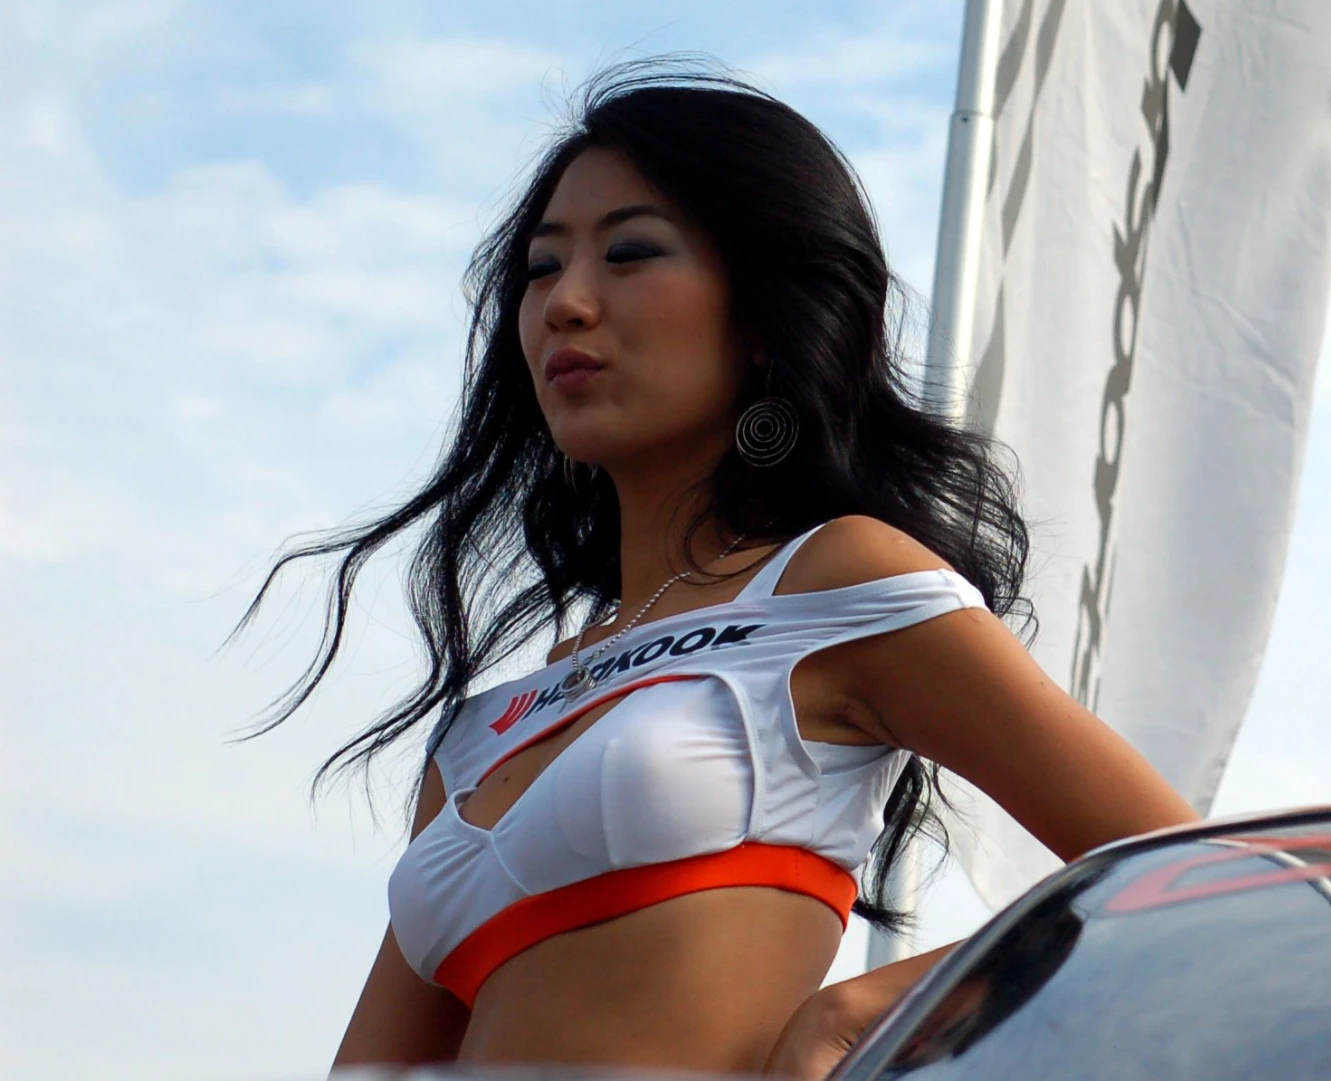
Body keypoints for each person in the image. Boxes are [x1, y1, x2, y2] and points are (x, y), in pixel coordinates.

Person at [248, 60, 1197, 1075]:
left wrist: (874, 1008)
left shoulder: (836, 586)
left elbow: (1186, 874)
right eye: (539, 268)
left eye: (630, 253)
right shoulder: (479, 736)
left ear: (760, 314)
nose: (566, 302)